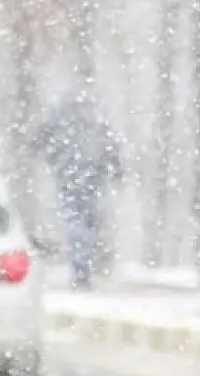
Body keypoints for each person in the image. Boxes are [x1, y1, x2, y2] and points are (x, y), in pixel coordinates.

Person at [38, 94, 122, 290]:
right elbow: (108, 143)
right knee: (89, 223)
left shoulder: (63, 114)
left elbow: (44, 139)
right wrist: (116, 170)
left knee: (77, 223)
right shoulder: (94, 114)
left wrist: (52, 159)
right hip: (92, 177)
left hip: (71, 176)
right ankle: (84, 267)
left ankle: (81, 269)